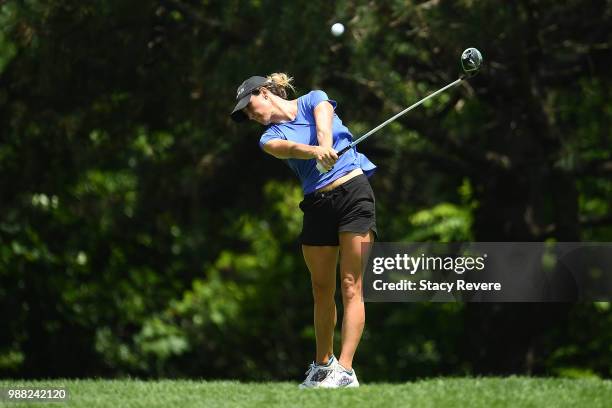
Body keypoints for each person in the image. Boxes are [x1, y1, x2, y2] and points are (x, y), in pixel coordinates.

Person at [230, 73, 377, 388]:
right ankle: (323, 365)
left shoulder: (313, 98)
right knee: (321, 288)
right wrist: (315, 153)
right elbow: (289, 148)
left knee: (351, 284)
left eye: (249, 104)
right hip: (317, 204)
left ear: (265, 92)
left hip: (353, 191)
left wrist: (325, 145)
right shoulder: (268, 137)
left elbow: (323, 116)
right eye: (244, 112)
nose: (249, 114)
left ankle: (345, 372)